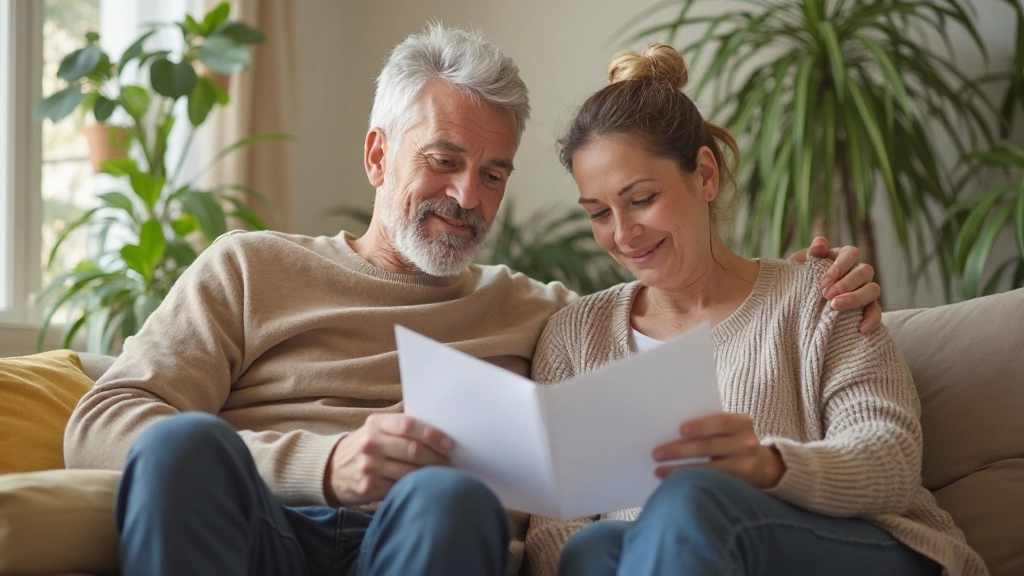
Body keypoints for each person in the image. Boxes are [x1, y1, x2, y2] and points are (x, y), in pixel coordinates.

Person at [65, 25, 881, 576]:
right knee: (180, 449)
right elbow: (99, 425)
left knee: (451, 494)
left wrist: (831, 278)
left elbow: (668, 302)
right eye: (445, 160)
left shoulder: (545, 314)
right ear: (379, 154)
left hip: (427, 536)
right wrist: (325, 465)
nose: (466, 194)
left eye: (493, 173)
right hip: (264, 527)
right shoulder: (249, 268)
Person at [520, 44, 988, 576]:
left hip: (865, 553)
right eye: (600, 213)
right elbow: (554, 523)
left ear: (705, 174)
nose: (623, 234)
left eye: (642, 199)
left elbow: (891, 459)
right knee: (590, 547)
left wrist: (767, 465)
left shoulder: (822, 293)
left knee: (691, 500)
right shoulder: (573, 336)